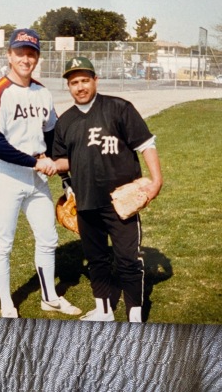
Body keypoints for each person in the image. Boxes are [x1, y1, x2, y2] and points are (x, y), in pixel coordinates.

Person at [0, 29, 81, 318]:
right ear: (9, 55)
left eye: (31, 53)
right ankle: (7, 304)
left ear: (37, 57)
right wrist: (35, 163)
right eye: (20, 52)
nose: (26, 58)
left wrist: (63, 175)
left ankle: (49, 297)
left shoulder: (42, 92)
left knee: (48, 238)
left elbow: (52, 137)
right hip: (7, 175)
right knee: (3, 243)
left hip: (37, 177)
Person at [53, 57, 163, 323]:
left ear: (95, 81)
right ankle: (103, 310)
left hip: (121, 200)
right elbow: (65, 161)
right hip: (87, 201)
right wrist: (53, 169)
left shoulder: (119, 108)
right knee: (97, 259)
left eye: (84, 80)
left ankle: (134, 313)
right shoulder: (65, 121)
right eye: (74, 82)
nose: (80, 87)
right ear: (68, 86)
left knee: (127, 258)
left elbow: (146, 144)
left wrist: (156, 181)